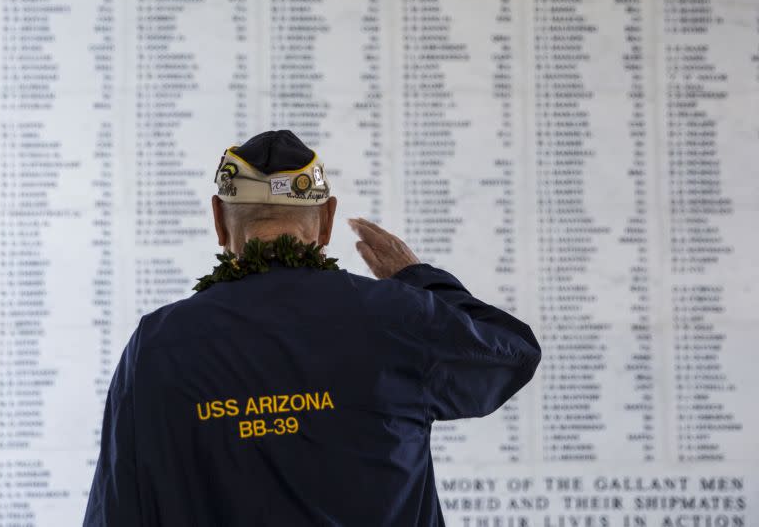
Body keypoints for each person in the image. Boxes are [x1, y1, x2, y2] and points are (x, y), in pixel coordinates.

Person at [83, 129, 541, 526]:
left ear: (219, 220)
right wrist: (417, 279)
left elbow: (120, 503)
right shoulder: (394, 317)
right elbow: (512, 354)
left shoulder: (160, 343)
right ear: (326, 221)